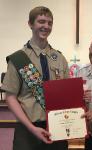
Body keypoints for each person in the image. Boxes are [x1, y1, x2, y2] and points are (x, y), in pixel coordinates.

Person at [1, 6, 69, 150]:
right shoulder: (18, 58)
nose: (46, 26)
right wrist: (31, 128)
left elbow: (66, 93)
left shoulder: (60, 58)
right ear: (30, 24)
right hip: (27, 128)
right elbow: (10, 97)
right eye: (41, 21)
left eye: (50, 23)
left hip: (56, 127)